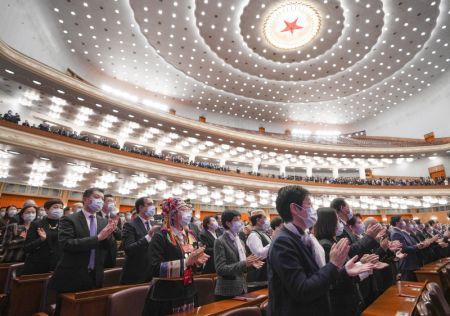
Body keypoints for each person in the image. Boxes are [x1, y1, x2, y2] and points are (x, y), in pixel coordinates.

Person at [267, 185, 373, 316]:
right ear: (295, 208)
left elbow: (317, 277)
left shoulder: (303, 237)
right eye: (309, 205)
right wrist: (334, 265)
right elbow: (303, 290)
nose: (312, 210)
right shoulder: (283, 242)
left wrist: (344, 272)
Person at [48, 188, 117, 316]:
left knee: (89, 311)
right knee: (65, 311)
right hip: (71, 275)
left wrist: (109, 237)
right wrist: (97, 238)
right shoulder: (69, 219)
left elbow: (106, 247)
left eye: (102, 199)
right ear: (85, 199)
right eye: (97, 197)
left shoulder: (103, 221)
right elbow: (67, 244)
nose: (100, 201)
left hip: (95, 275)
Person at [142, 197, 209, 315]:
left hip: (189, 291)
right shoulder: (161, 236)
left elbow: (192, 267)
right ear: (172, 214)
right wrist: (186, 262)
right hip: (166, 295)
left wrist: (198, 263)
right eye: (183, 210)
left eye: (189, 209)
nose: (188, 213)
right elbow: (154, 268)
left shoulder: (190, 235)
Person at [214, 210, 264, 300]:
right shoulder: (220, 241)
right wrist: (245, 263)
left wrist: (251, 264)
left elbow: (242, 266)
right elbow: (220, 269)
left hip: (242, 287)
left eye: (240, 220)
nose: (240, 223)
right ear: (228, 223)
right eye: (236, 220)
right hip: (227, 290)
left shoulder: (240, 241)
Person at [120, 197, 159, 285]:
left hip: (151, 273)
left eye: (153, 204)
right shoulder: (130, 225)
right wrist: (148, 237)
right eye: (149, 204)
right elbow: (129, 249)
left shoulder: (154, 224)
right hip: (136, 274)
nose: (153, 207)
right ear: (140, 207)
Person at [23, 199, 64, 275]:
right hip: (37, 265)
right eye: (55, 207)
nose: (59, 210)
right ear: (46, 209)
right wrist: (41, 239)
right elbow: (26, 248)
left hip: (57, 265)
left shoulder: (65, 225)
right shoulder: (36, 224)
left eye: (61, 208)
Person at [390, 216, 425, 281]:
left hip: (411, 262)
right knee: (410, 283)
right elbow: (404, 249)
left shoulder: (400, 232)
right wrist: (417, 246)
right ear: (397, 223)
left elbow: (409, 244)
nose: (403, 222)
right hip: (407, 264)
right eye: (401, 220)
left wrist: (417, 245)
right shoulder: (396, 233)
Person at [246, 209, 272, 283]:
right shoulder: (253, 235)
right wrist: (273, 243)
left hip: (267, 273)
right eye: (264, 218)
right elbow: (259, 254)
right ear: (258, 220)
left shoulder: (263, 233)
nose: (267, 220)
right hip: (259, 276)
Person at [98, 194, 121, 268]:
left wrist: (115, 228)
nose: (112, 203)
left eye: (113, 201)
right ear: (103, 202)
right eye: (109, 201)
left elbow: (119, 236)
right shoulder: (96, 215)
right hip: (98, 250)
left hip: (111, 252)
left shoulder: (116, 217)